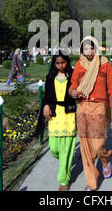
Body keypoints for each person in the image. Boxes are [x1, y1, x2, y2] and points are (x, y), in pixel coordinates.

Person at [69, 36, 112, 191]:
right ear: (81, 50)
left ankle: (105, 160)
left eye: (91, 48)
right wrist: (73, 92)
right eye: (85, 48)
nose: (88, 51)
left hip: (100, 106)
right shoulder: (79, 65)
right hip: (83, 106)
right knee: (85, 148)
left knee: (97, 146)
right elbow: (73, 84)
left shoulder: (104, 64)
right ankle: (92, 184)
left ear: (96, 48)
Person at [39, 51, 77, 191]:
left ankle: (63, 180)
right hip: (55, 115)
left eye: (63, 62)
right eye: (58, 63)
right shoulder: (50, 77)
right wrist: (46, 105)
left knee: (66, 149)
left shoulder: (72, 76)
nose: (61, 65)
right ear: (54, 64)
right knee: (54, 148)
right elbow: (47, 96)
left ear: (67, 62)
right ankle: (65, 165)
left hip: (69, 115)